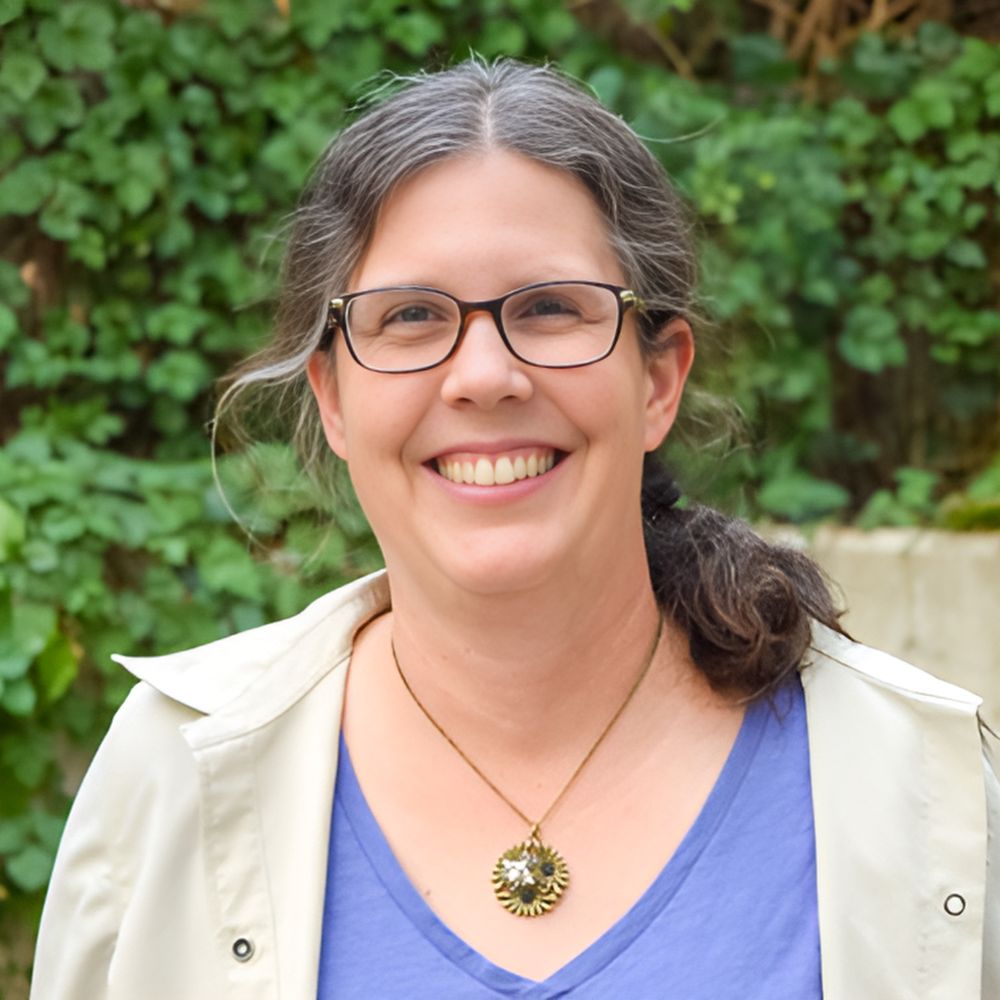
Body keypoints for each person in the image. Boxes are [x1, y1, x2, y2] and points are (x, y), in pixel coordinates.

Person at [31, 58, 998, 999]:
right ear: (331, 396)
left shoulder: (918, 782)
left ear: (657, 380)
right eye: (411, 314)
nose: (485, 376)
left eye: (548, 308)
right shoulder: (170, 778)